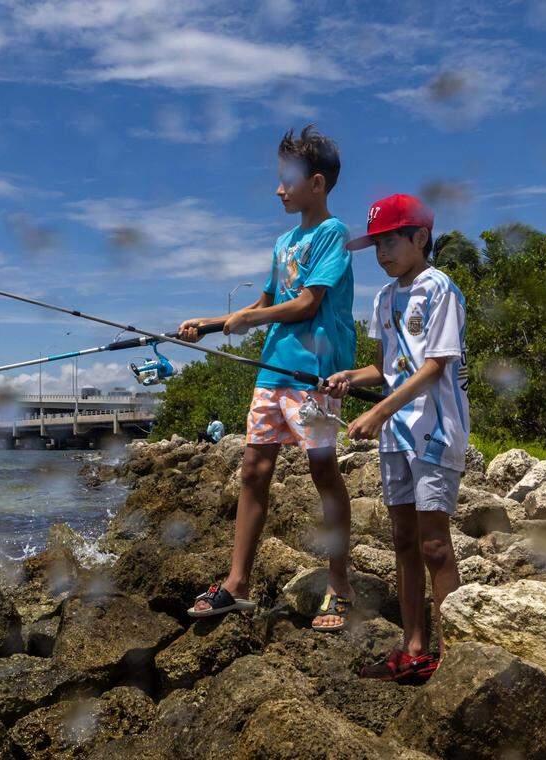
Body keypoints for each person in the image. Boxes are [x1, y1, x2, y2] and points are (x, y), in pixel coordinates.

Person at [177, 125, 357, 631]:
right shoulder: (284, 241)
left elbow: (306, 303)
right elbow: (265, 302)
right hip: (273, 370)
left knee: (324, 474)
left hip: (313, 375)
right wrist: (211, 324)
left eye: (288, 180)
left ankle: (339, 587)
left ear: (316, 183)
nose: (279, 190)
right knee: (254, 470)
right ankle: (237, 585)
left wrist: (249, 321)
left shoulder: (332, 235)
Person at [325, 194, 468, 682]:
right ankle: (412, 647)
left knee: (435, 546)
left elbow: (434, 366)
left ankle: (451, 656)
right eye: (375, 245)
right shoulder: (383, 298)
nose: (381, 253)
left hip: (435, 430)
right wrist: (351, 376)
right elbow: (389, 367)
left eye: (389, 241)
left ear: (420, 237)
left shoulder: (440, 288)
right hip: (396, 436)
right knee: (403, 540)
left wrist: (379, 411)